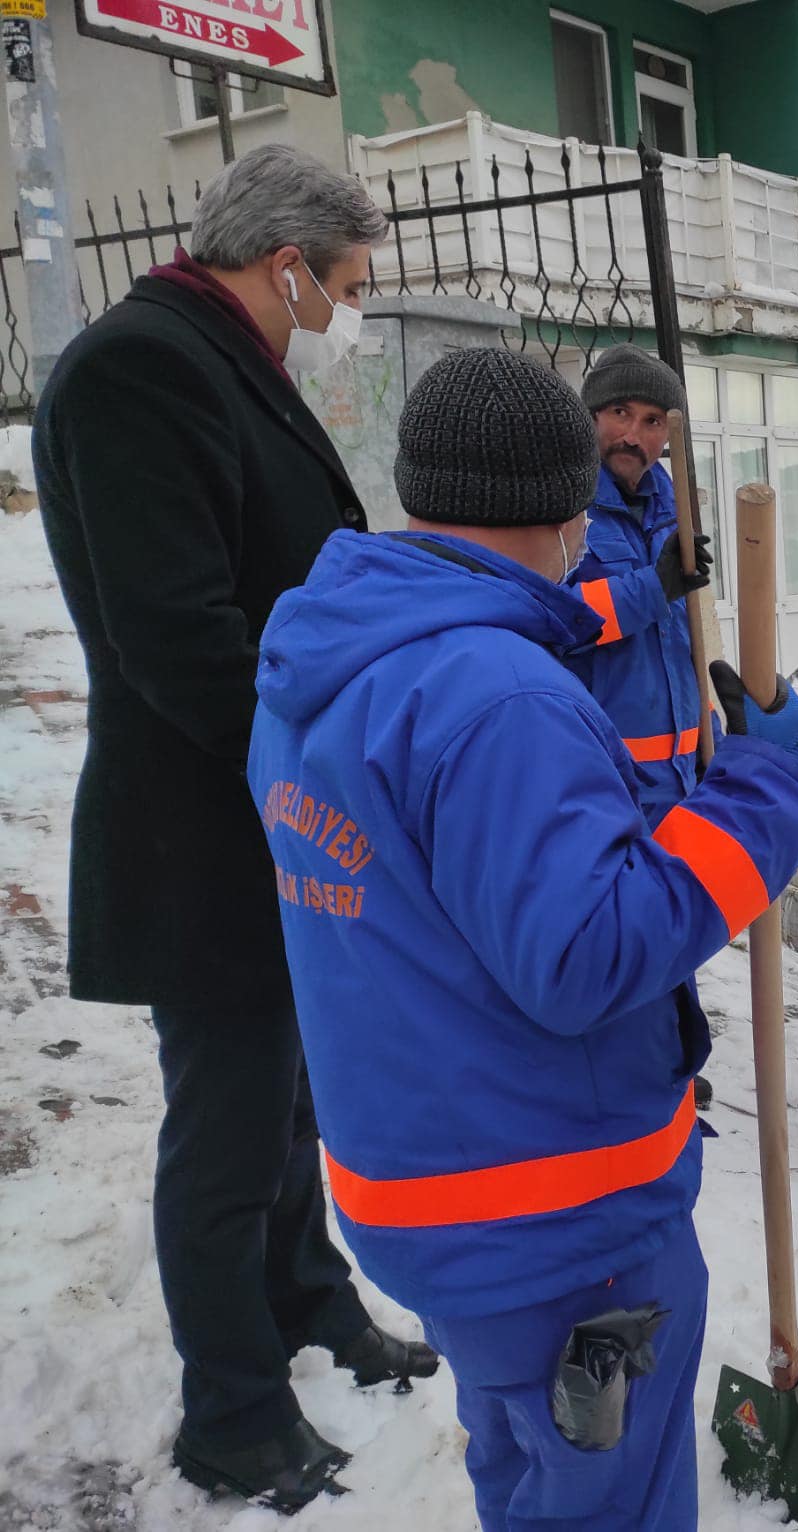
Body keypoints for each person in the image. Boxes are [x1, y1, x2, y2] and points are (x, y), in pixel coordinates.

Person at [245, 347, 798, 1529]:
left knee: (528, 1477)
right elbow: (586, 953)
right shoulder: (493, 697)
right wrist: (767, 788)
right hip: (561, 1232)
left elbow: (459, 903)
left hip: (435, 1198)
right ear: (566, 510)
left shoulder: (329, 662)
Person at [33, 143, 438, 1509]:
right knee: (224, 1131)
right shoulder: (140, 368)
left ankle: (310, 1301)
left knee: (288, 1100)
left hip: (264, 817)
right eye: (349, 286)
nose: (352, 313)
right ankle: (235, 1411)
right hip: (199, 829)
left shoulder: (218, 361)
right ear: (287, 268)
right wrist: (319, 780)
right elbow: (181, 638)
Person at [564, 344, 713, 821]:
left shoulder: (672, 507)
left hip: (684, 777)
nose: (633, 435)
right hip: (605, 779)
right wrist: (655, 586)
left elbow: (682, 640)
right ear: (590, 416)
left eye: (652, 421)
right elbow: (554, 619)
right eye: (620, 413)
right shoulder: (562, 509)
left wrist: (712, 738)